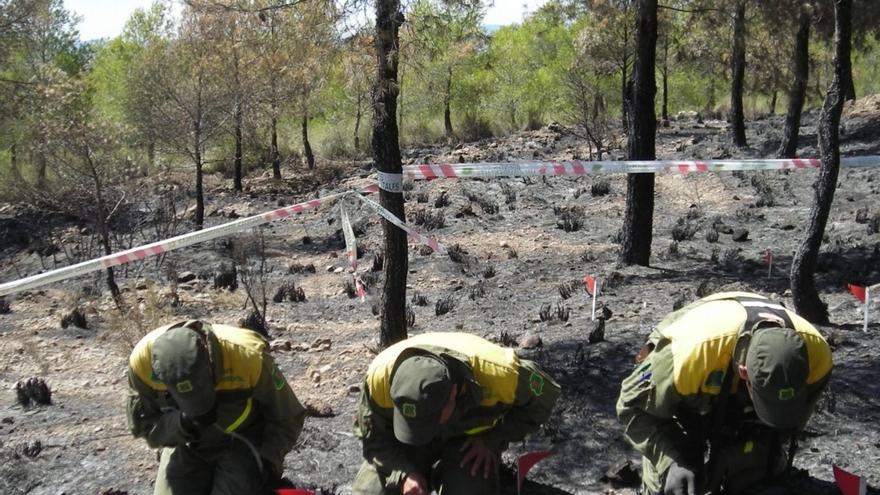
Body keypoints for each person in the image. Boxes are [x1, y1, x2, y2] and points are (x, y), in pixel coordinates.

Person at [617, 292, 833, 495]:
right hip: (697, 354)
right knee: (672, 483)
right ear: (743, 372)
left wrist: (732, 458)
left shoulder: (818, 359)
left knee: (760, 469)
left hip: (727, 360)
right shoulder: (687, 358)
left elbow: (784, 431)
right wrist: (670, 462)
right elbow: (630, 407)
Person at [352, 332, 561, 495]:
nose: (426, 430)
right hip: (406, 447)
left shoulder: (501, 374)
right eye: (411, 422)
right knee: (370, 490)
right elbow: (375, 442)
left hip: (467, 445)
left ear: (453, 393)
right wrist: (403, 475)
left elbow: (546, 396)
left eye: (429, 421)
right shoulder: (379, 380)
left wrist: (492, 439)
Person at [126, 320, 307, 495]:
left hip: (242, 441)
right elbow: (144, 425)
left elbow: (288, 417)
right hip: (186, 444)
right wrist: (182, 423)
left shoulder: (247, 357)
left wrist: (268, 461)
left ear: (210, 363)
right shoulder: (142, 363)